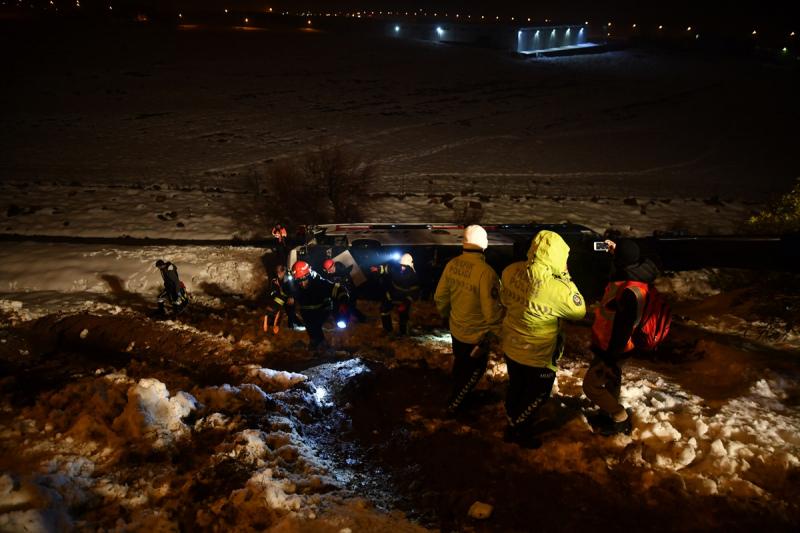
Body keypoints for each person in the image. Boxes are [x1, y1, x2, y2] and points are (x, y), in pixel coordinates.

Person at [499, 230, 586, 448]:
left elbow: (504, 298)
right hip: (539, 355)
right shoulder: (557, 288)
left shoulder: (511, 271)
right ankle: (518, 430)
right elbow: (579, 311)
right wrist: (564, 276)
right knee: (537, 394)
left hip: (512, 344)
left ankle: (512, 416)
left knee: (517, 385)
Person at [582, 239, 660, 436]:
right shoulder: (636, 275)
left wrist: (610, 357)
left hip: (613, 348)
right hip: (617, 346)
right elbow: (619, 275)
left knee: (591, 386)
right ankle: (607, 416)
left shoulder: (629, 292)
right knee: (611, 382)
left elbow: (623, 327)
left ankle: (619, 417)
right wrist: (616, 252)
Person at [434, 225, 504, 415]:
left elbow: (440, 296)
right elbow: (492, 312)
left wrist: (446, 315)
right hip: (477, 336)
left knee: (460, 365)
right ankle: (455, 406)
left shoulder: (452, 264)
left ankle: (458, 395)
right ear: (484, 244)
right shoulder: (486, 273)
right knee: (474, 371)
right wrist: (500, 333)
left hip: (457, 330)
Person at [290, 260, 349, 351]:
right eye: (299, 280)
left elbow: (339, 290)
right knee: (312, 329)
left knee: (316, 327)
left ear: (308, 275)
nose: (302, 283)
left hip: (322, 312)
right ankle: (316, 344)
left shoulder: (320, 283)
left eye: (303, 280)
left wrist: (343, 302)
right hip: (307, 315)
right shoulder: (296, 284)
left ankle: (327, 347)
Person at [371, 253, 420, 336]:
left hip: (404, 298)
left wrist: (406, 303)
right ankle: (387, 330)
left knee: (403, 316)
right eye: (401, 265)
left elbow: (414, 293)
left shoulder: (413, 277)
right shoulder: (396, 268)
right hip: (393, 295)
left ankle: (404, 333)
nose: (402, 267)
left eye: (405, 266)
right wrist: (378, 269)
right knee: (384, 309)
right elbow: (386, 268)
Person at [321, 258, 367, 323]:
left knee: (350, 308)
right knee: (335, 307)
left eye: (329, 270)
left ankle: (362, 318)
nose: (328, 272)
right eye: (326, 270)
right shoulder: (331, 273)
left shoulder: (343, 273)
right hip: (337, 294)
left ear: (333, 265)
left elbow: (348, 287)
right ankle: (339, 320)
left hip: (349, 293)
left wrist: (345, 299)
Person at [263, 264, 300, 334]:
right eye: (277, 272)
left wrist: (291, 297)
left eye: (280, 272)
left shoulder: (289, 278)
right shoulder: (275, 279)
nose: (278, 274)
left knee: (290, 311)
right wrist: (273, 295)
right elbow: (273, 290)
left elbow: (293, 288)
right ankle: (273, 325)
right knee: (276, 308)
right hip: (281, 297)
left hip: (289, 297)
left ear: (284, 271)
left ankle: (291, 326)